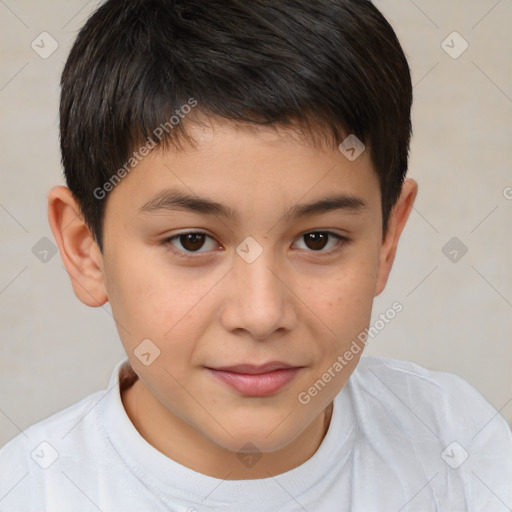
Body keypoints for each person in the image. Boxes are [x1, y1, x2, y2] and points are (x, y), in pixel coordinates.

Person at [1, 0, 511, 510]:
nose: (262, 314)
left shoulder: (459, 445)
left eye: (318, 240)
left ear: (385, 240)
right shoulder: (26, 492)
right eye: (192, 241)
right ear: (85, 249)